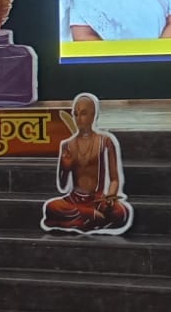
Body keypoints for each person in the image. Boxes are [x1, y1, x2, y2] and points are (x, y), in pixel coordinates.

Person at [42, 93, 132, 234]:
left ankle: (84, 220)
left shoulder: (105, 141)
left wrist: (110, 197)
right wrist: (65, 167)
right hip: (74, 200)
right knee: (52, 207)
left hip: (98, 200)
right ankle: (90, 217)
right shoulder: (68, 145)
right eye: (75, 114)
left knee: (122, 212)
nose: (78, 118)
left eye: (83, 114)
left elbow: (114, 179)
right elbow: (63, 186)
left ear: (93, 115)